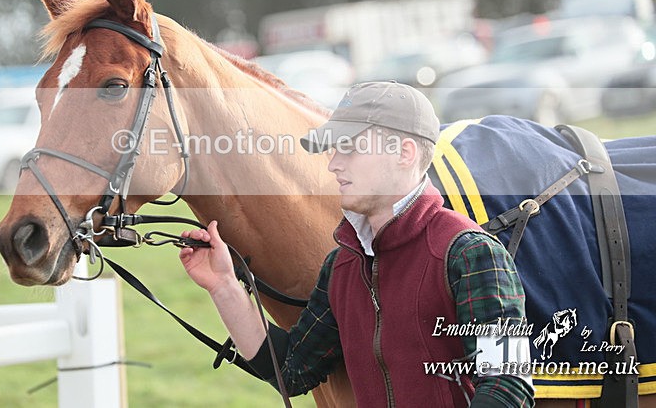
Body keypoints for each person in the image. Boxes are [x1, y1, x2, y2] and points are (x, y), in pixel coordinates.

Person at [179, 81, 535, 407]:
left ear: (405, 153)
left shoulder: (472, 253)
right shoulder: (342, 266)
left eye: (349, 148)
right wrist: (224, 286)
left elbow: (508, 384)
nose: (333, 164)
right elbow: (291, 370)